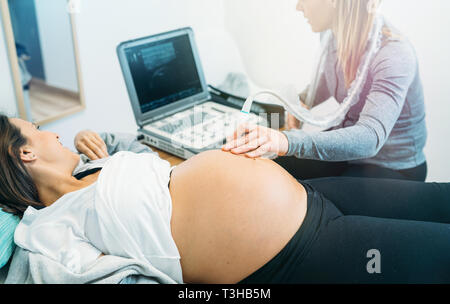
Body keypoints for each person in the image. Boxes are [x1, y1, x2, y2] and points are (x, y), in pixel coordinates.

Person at [0, 115, 449, 284]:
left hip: (312, 196)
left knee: (440, 199)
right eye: (39, 128)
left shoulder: (92, 166)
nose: (53, 131)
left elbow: (143, 153)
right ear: (25, 151)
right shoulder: (46, 232)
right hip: (298, 252)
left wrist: (98, 138)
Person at [222, 0, 428, 182]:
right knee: (265, 169)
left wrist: (286, 141)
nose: (298, 7)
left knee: (301, 197)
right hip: (351, 157)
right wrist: (303, 101)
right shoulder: (331, 34)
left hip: (392, 169)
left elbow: (370, 136)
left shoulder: (393, 55)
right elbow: (333, 82)